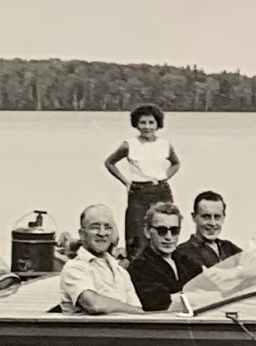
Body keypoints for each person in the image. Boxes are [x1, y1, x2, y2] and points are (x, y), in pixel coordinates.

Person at [103, 104, 181, 259]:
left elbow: (176, 163)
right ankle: (136, 268)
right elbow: (109, 163)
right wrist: (125, 182)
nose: (147, 127)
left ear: (158, 124)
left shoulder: (165, 144)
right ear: (136, 124)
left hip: (161, 191)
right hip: (138, 193)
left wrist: (164, 177)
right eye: (142, 123)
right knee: (137, 235)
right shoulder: (129, 144)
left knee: (165, 231)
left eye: (151, 123)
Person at [58, 204, 143, 315]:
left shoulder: (120, 271)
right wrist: (133, 311)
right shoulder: (74, 268)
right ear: (82, 235)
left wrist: (135, 311)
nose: (102, 233)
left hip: (122, 331)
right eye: (95, 227)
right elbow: (94, 304)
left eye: (107, 227)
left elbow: (138, 312)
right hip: (90, 332)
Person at [127, 202, 198, 311]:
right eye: (162, 231)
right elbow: (159, 303)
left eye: (174, 231)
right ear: (147, 232)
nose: (169, 237)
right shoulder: (139, 267)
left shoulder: (187, 262)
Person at [174, 191, 243, 284]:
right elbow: (209, 279)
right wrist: (240, 271)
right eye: (206, 217)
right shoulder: (183, 251)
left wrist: (236, 272)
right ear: (194, 217)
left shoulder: (228, 247)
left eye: (217, 217)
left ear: (223, 218)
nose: (212, 223)